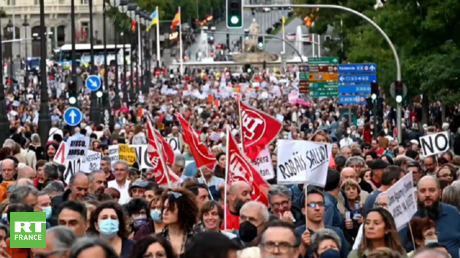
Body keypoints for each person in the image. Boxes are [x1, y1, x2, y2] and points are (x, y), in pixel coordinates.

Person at [400, 176, 460, 258]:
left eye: (432, 190)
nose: (427, 195)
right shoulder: (408, 219)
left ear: (439, 193)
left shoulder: (453, 213)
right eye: (423, 191)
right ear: (417, 194)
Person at [296, 189, 349, 258]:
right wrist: (303, 246)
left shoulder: (337, 232)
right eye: (312, 204)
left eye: (320, 204)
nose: (317, 208)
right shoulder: (296, 234)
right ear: (303, 210)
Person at [158, 188, 198, 257]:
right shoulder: (158, 239)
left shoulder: (196, 239)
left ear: (182, 211)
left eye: (170, 209)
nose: (165, 212)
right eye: (164, 208)